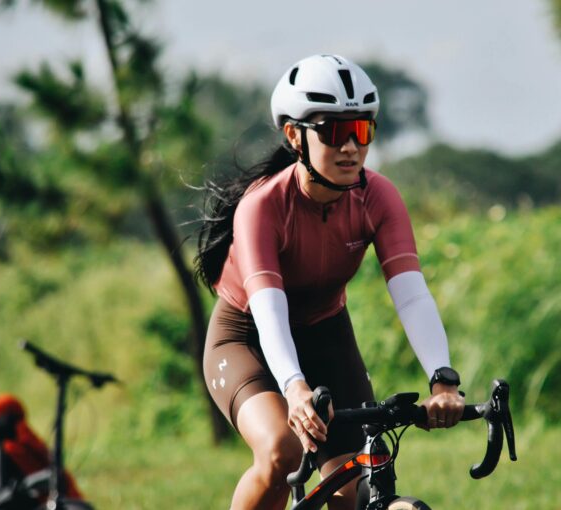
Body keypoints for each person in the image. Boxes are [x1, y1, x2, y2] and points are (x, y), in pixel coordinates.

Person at [195, 54, 464, 510]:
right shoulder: (262, 207)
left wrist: (443, 379)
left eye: (362, 131)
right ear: (294, 136)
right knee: (282, 451)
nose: (350, 147)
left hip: (326, 333)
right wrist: (294, 388)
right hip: (248, 338)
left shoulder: (378, 196)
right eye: (333, 131)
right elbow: (267, 308)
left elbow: (412, 294)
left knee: (353, 484)